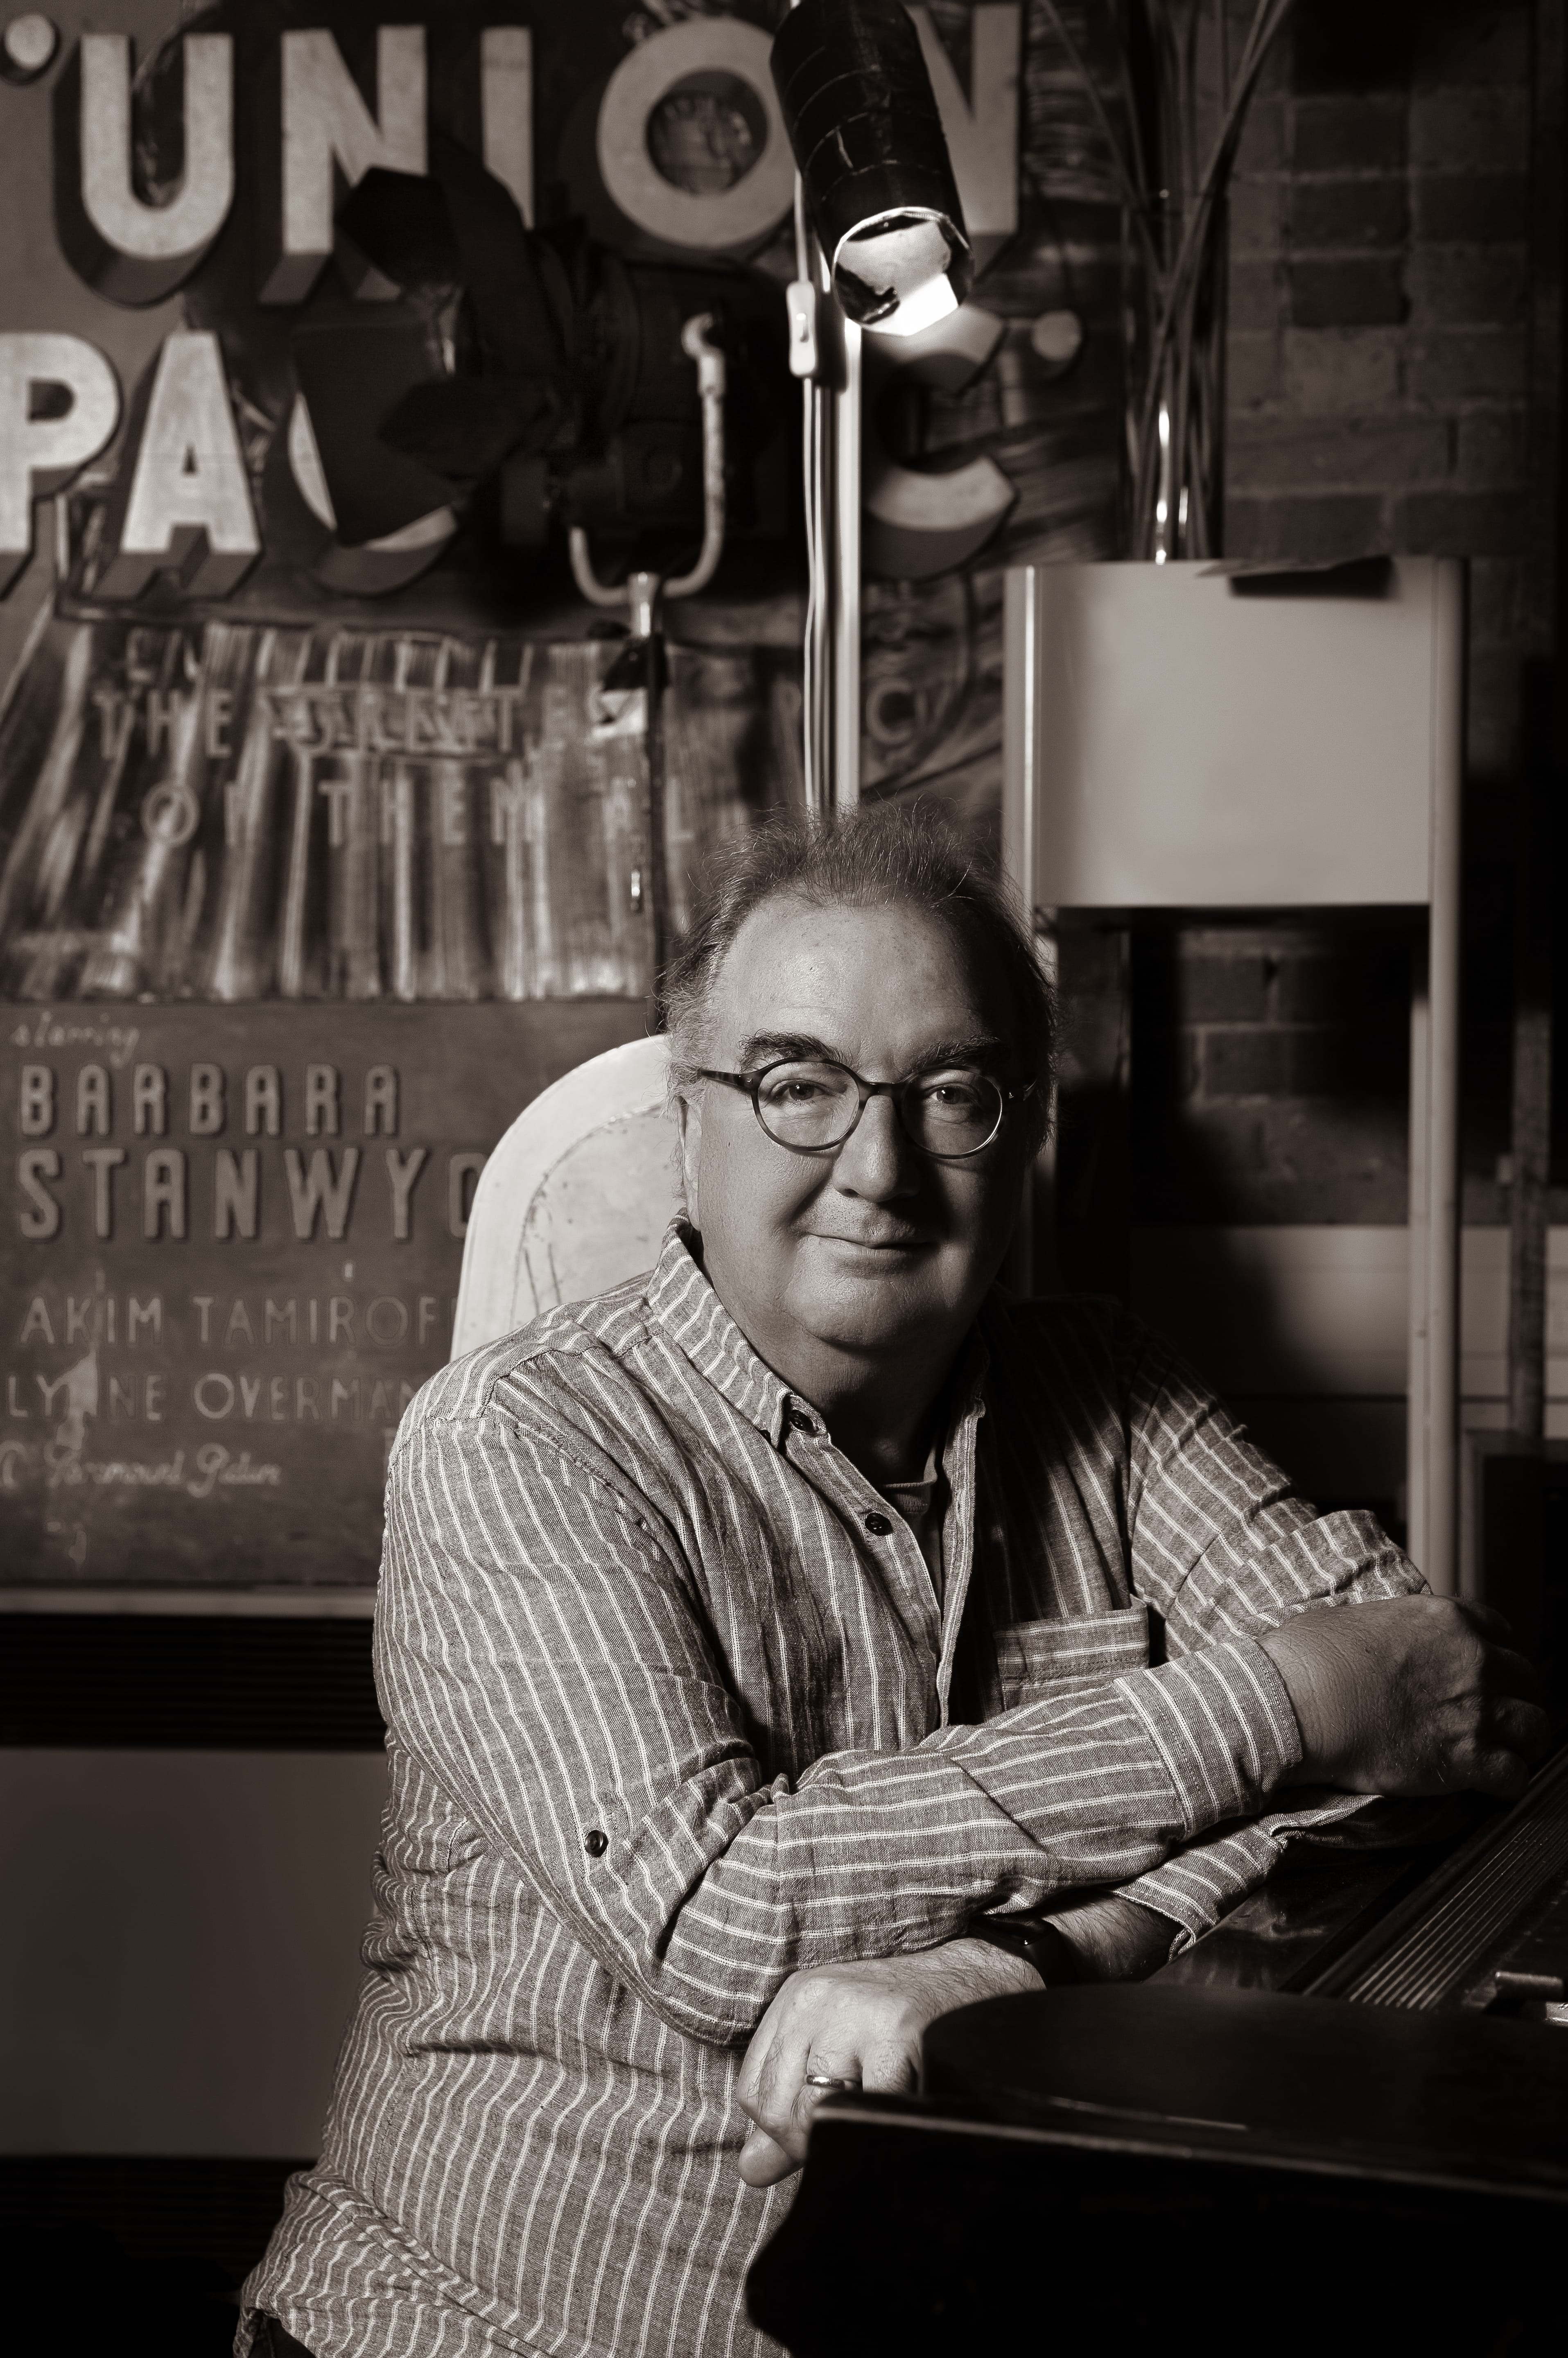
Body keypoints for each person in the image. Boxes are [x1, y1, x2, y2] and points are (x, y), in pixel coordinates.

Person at [241, 804, 1549, 2358]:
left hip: (970, 2303)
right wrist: (1289, 1699)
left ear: (1023, 1125)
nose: (879, 1167)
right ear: (695, 1119)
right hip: (505, 2324)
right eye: (800, 1085)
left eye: (952, 1092)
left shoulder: (1115, 1397)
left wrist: (1024, 1959)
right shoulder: (513, 1441)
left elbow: (1449, 1723)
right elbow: (726, 1916)